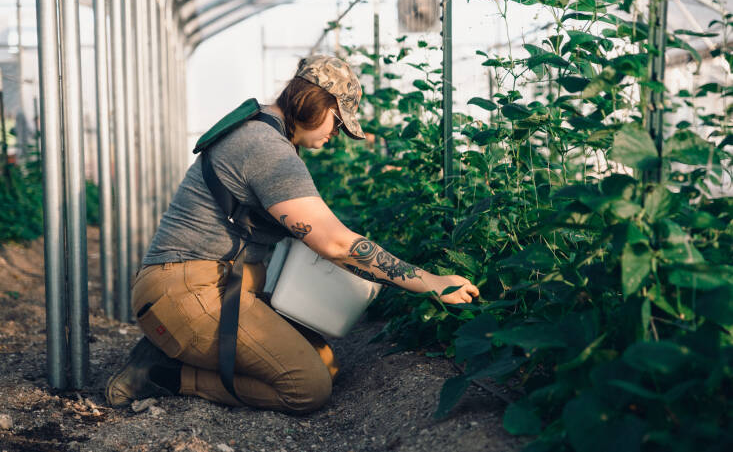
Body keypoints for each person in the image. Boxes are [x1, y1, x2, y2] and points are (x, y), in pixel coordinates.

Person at [105, 55, 479, 414]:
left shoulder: (264, 132)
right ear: (315, 104)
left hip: (211, 286)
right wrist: (432, 283)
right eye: (337, 121)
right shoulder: (267, 149)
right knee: (307, 387)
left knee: (327, 363)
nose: (336, 134)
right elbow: (333, 243)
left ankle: (169, 348)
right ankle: (162, 374)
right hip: (186, 293)